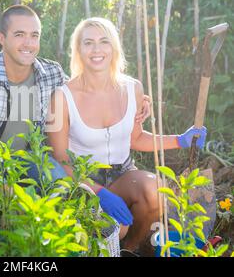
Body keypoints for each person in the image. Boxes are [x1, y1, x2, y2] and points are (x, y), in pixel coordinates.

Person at [46, 17, 207, 253]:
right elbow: (59, 158)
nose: (97, 49)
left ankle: (129, 250)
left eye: (104, 41)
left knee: (156, 191)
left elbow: (136, 139)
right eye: (88, 43)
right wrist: (98, 192)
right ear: (78, 50)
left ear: (114, 47)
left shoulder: (133, 88)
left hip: (122, 173)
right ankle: (116, 239)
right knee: (116, 227)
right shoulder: (61, 97)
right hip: (81, 179)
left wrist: (180, 140)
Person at [0, 5, 149, 183]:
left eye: (34, 35)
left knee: (59, 184)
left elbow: (84, 94)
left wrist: (136, 100)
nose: (28, 43)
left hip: (32, 161)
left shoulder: (51, 74)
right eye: (19, 35)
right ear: (1, 38)